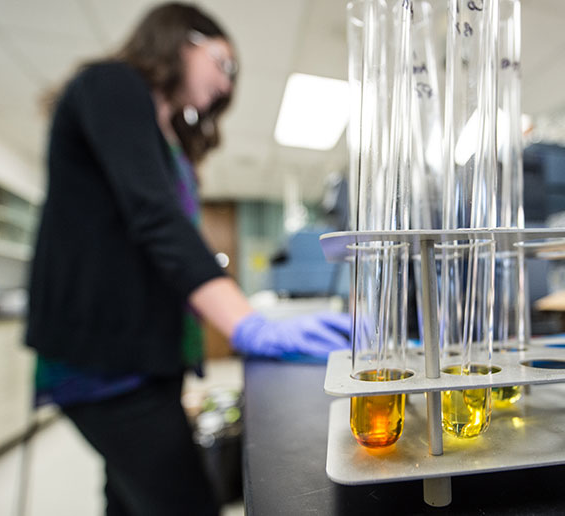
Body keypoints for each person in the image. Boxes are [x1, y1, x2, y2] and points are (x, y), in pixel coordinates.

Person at [25, 3, 349, 515]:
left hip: (145, 360)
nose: (227, 87)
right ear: (183, 39)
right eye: (224, 64)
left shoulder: (167, 134)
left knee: (127, 500)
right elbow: (156, 218)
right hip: (105, 364)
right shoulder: (112, 84)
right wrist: (247, 326)